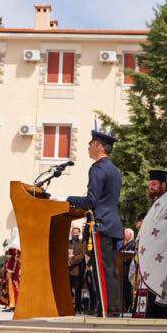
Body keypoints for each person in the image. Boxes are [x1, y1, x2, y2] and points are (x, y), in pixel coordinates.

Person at [67, 128, 123, 316]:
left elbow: (92, 201)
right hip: (112, 223)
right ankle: (112, 308)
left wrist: (68, 199)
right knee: (109, 270)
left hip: (101, 224)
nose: (88, 146)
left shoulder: (98, 168)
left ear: (99, 146)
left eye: (91, 143)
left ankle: (107, 309)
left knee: (101, 271)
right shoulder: (114, 169)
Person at [134, 169, 167, 318]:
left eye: (154, 184)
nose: (151, 187)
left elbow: (163, 230)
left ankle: (153, 315)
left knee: (157, 292)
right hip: (150, 251)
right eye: (149, 185)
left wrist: (143, 242)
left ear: (163, 185)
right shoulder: (158, 202)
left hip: (159, 253)